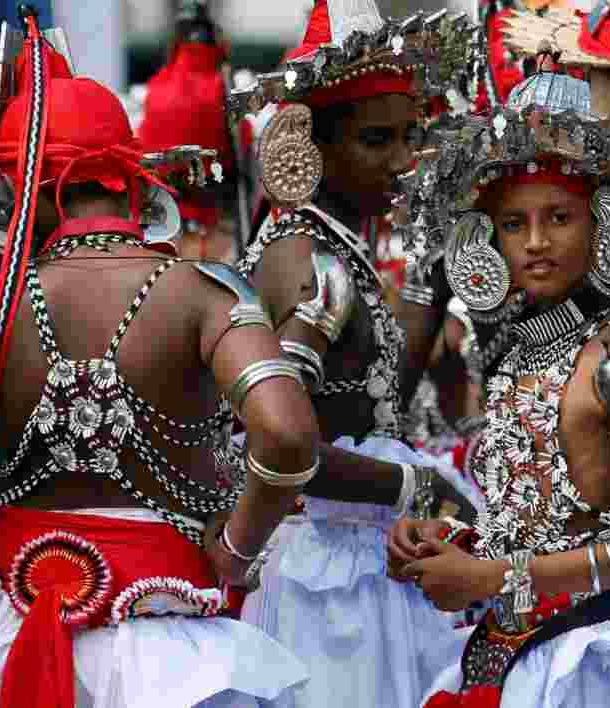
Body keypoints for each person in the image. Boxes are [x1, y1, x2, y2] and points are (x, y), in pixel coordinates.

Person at [0, 10, 321, 708]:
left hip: (5, 642)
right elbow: (286, 432)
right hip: (172, 655)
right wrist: (238, 553)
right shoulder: (202, 292)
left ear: (19, 191)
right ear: (133, 178)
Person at [389, 71, 610, 708]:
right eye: (512, 223)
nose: (535, 241)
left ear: (602, 223)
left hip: (595, 660)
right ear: (488, 240)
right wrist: (452, 544)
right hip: (517, 648)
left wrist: (483, 575)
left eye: (558, 218)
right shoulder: (518, 357)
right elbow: (537, 524)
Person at [228, 2, 480, 706]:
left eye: (411, 137)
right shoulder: (309, 263)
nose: (403, 163)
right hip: (327, 583)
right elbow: (281, 449)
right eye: (377, 141)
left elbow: (372, 403)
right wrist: (417, 489)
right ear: (315, 147)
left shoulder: (340, 249)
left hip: (360, 560)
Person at [138, 0, 248, 264]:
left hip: (165, 211)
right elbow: (241, 145)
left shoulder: (157, 85)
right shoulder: (221, 83)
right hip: (215, 214)